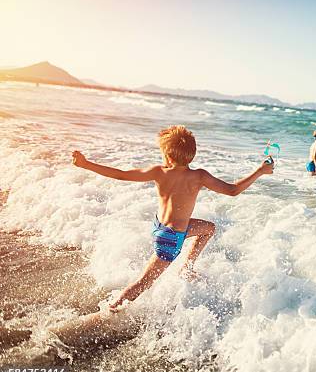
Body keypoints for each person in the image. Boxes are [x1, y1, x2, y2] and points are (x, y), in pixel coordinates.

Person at [71, 125, 274, 312]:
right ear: (191, 155)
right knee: (143, 283)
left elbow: (121, 175)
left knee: (208, 228)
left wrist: (86, 164)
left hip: (161, 228)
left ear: (167, 155)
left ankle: (186, 268)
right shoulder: (199, 176)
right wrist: (260, 171)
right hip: (172, 238)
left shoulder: (159, 172)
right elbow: (233, 190)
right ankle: (111, 311)